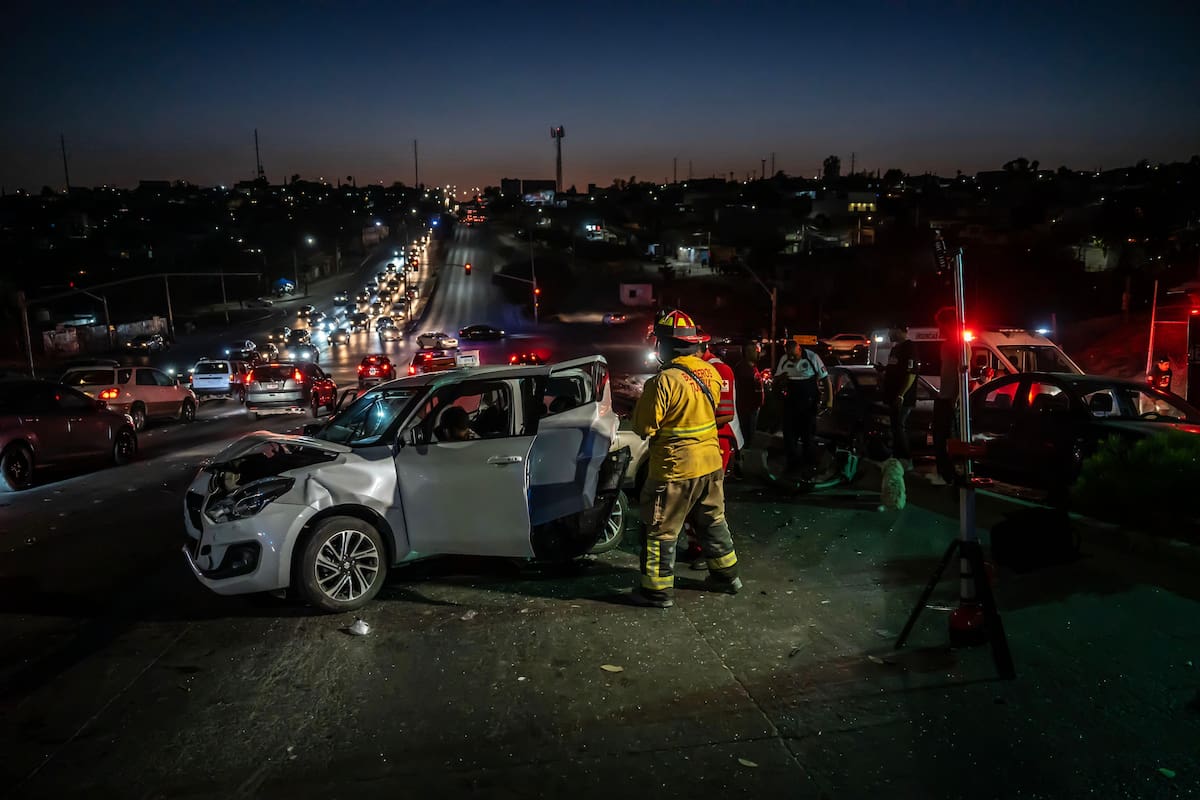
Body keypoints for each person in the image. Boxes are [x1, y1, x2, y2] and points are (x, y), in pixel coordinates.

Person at [630, 309, 742, 608]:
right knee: (713, 521)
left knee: (660, 529)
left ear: (664, 346)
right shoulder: (711, 373)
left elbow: (644, 427)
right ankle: (727, 578)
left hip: (675, 468)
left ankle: (656, 591)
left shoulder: (663, 382)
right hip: (710, 463)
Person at [775, 338, 833, 475]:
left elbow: (826, 380)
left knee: (807, 435)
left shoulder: (812, 358)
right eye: (789, 355)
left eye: (794, 355)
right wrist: (781, 379)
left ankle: (810, 466)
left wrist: (829, 401)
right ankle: (792, 466)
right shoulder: (784, 359)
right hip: (791, 401)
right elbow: (777, 379)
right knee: (789, 435)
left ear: (800, 350)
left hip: (808, 402)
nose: (791, 358)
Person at [931, 308, 960, 486]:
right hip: (944, 396)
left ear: (950, 324)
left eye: (941, 325)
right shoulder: (947, 345)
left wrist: (955, 399)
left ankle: (948, 475)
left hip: (949, 399)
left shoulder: (958, 345)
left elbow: (961, 374)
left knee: (945, 438)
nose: (939, 329)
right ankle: (943, 473)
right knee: (939, 438)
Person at [883, 323, 918, 470]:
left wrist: (901, 395)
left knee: (899, 427)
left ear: (898, 330)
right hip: (892, 397)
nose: (888, 334)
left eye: (890, 330)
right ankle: (896, 457)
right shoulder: (895, 348)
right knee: (894, 428)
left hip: (903, 398)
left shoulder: (909, 348)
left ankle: (906, 459)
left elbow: (911, 374)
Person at [733, 342, 765, 452]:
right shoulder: (744, 368)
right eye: (756, 351)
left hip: (752, 406)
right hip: (748, 406)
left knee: (750, 432)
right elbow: (747, 389)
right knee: (747, 432)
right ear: (749, 353)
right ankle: (745, 454)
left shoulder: (750, 367)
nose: (758, 354)